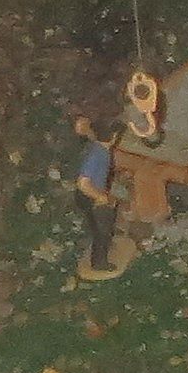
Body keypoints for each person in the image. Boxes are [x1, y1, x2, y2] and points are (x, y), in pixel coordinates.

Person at [68, 110, 128, 283]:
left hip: (89, 195)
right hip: (91, 196)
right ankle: (99, 262)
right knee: (103, 231)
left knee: (101, 221)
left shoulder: (97, 147)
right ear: (114, 136)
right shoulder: (98, 154)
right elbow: (83, 183)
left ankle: (102, 235)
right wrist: (100, 197)